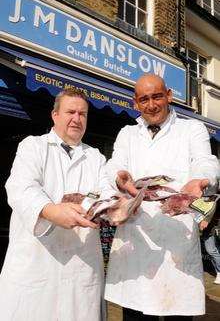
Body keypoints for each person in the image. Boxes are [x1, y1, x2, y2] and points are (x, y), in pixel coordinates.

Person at [105, 74, 220, 321]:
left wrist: (201, 179)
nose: (151, 104)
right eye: (144, 99)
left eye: (157, 96)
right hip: (137, 241)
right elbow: (114, 163)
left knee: (177, 312)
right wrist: (118, 176)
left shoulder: (192, 129)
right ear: (135, 103)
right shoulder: (127, 134)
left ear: (168, 95)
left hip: (176, 243)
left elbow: (205, 160)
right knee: (136, 314)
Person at [0, 89, 115, 321]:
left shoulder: (96, 157)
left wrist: (113, 206)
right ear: (55, 115)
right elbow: (20, 187)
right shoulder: (32, 146)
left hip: (81, 270)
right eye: (70, 112)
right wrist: (51, 211)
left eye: (82, 114)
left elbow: (107, 192)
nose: (77, 118)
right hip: (36, 264)